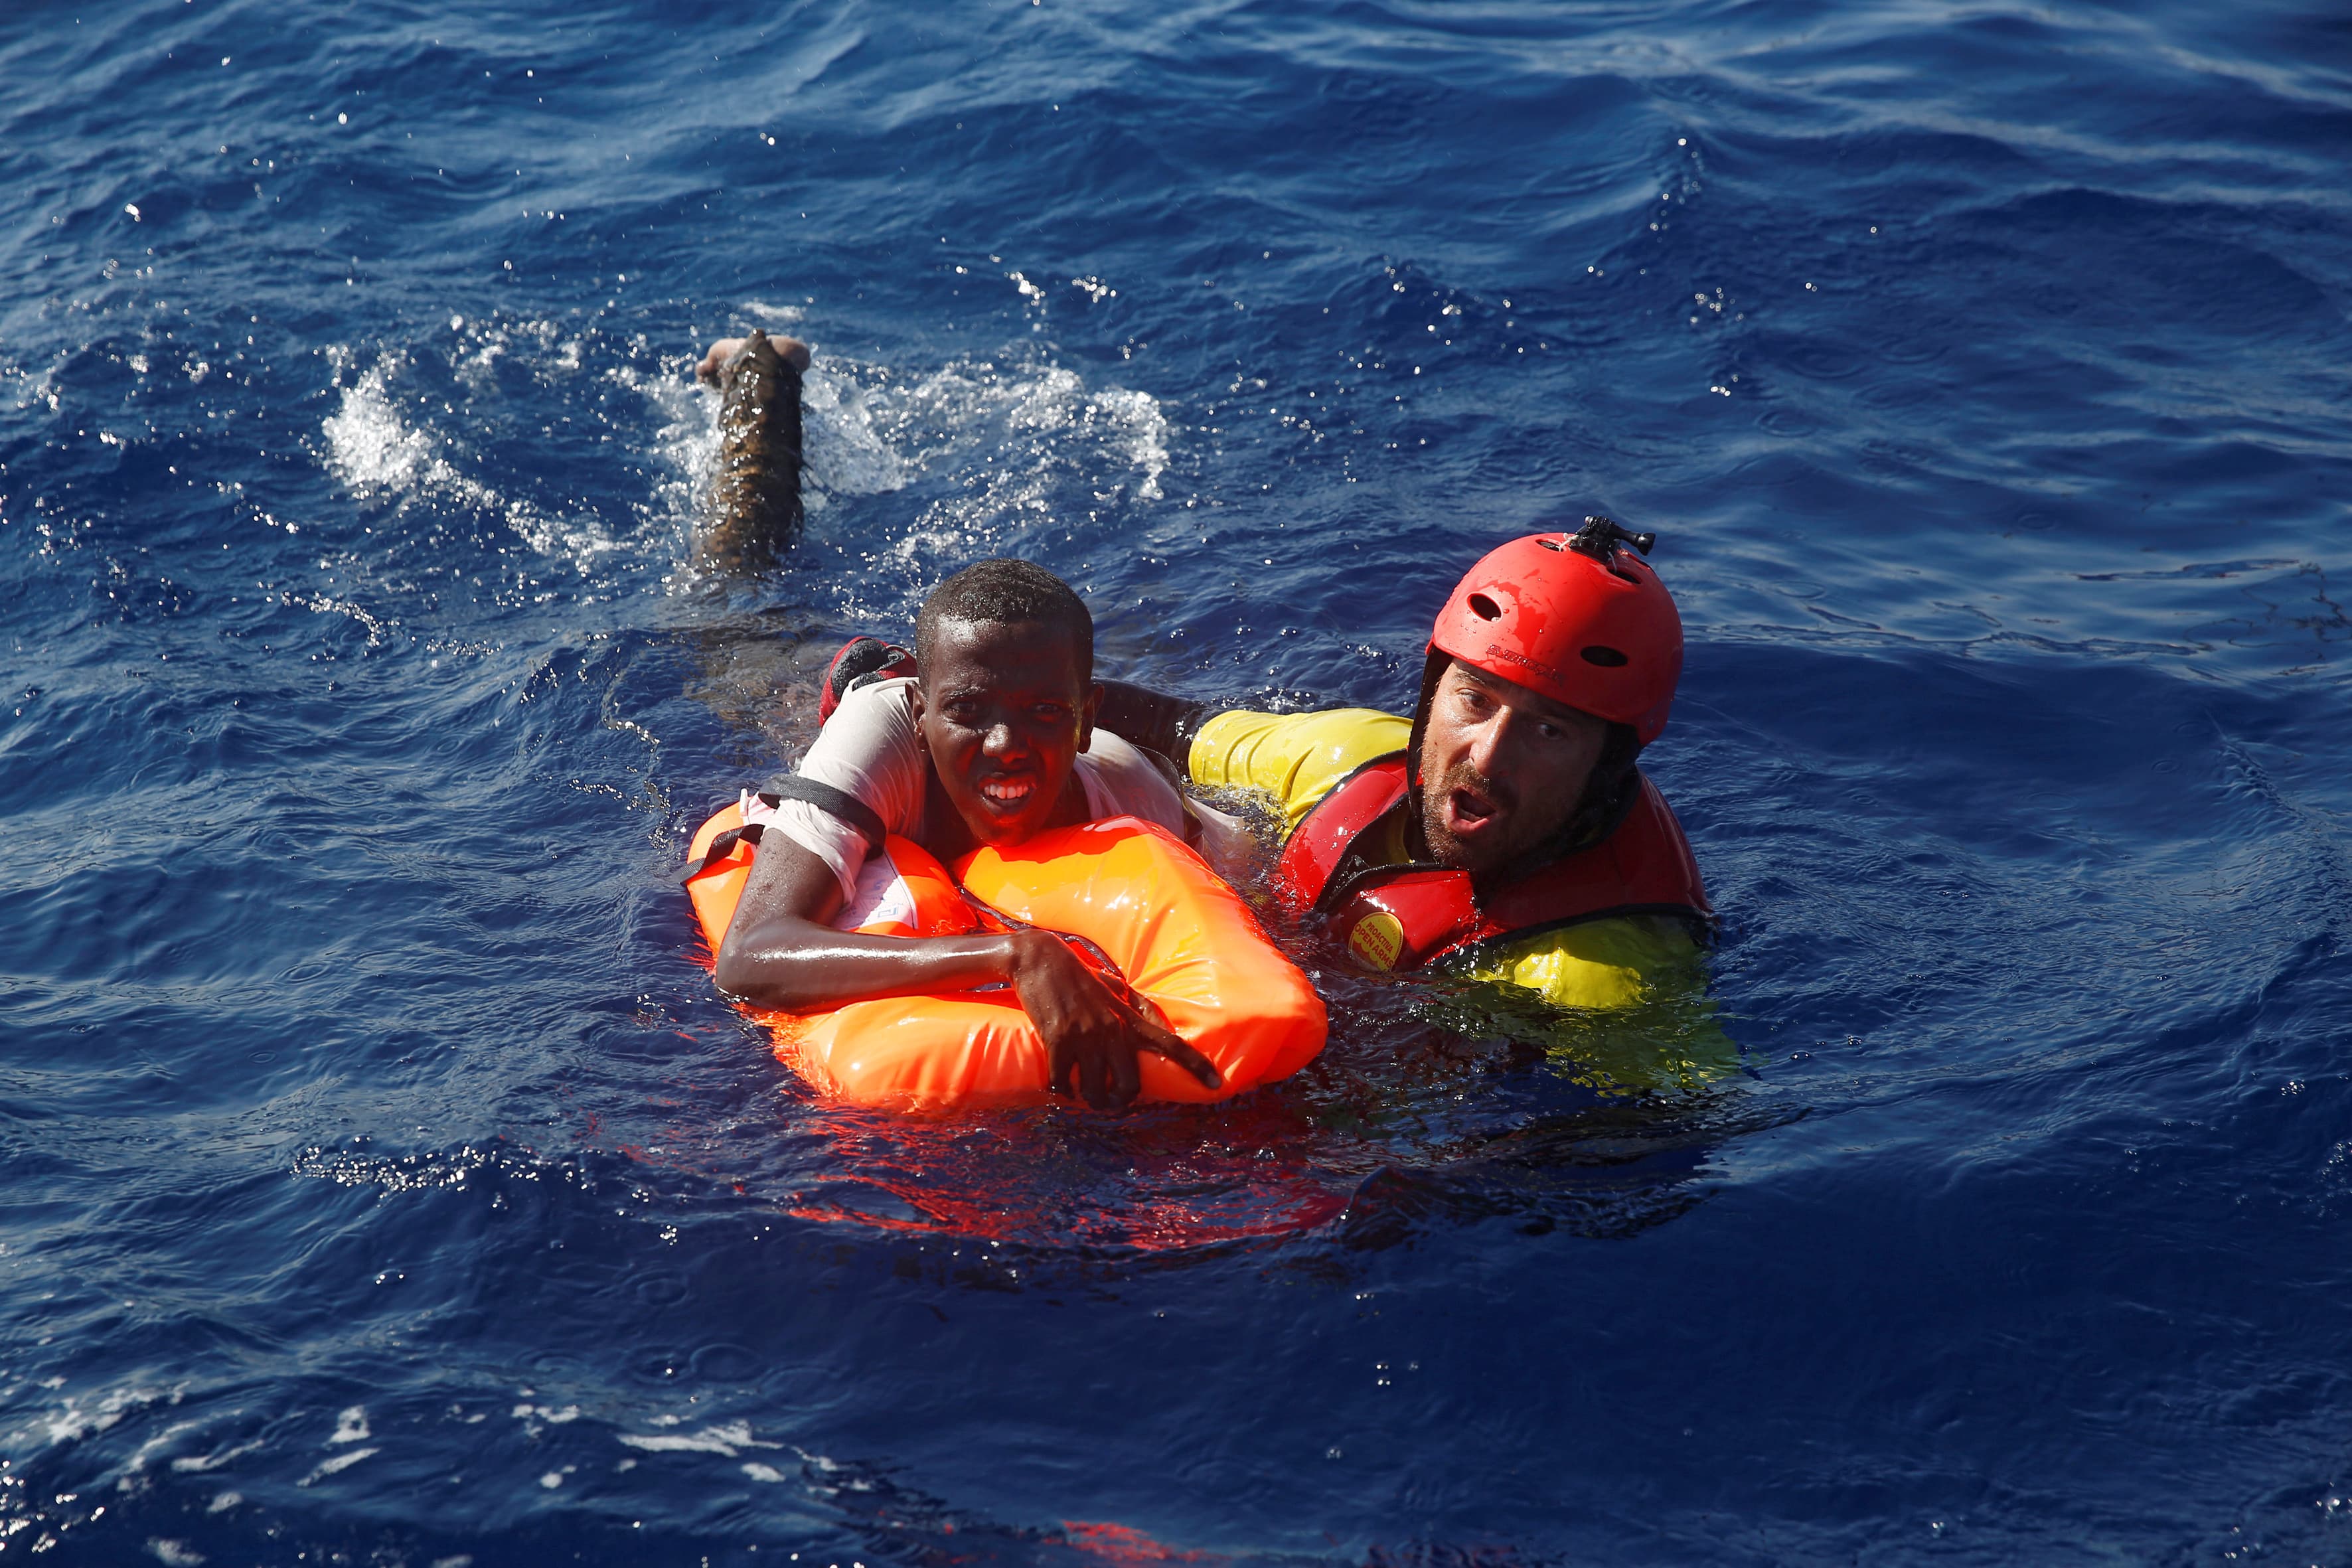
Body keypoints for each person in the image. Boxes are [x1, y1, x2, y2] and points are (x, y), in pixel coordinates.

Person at [1092, 517, 1714, 1011]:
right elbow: (1161, 725)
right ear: (1430, 694)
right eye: (1474, 700)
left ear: (1606, 764)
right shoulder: (1352, 755)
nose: (1488, 755)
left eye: (1549, 730)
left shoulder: (1597, 978)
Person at [708, 555, 1226, 1113]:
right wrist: (1013, 954)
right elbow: (747, 956)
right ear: (920, 714)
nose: (1005, 745)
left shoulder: (1137, 804)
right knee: (743, 680)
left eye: (1047, 712)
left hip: (1121, 750)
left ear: (1084, 722)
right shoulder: (879, 741)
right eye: (967, 710)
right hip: (873, 723)